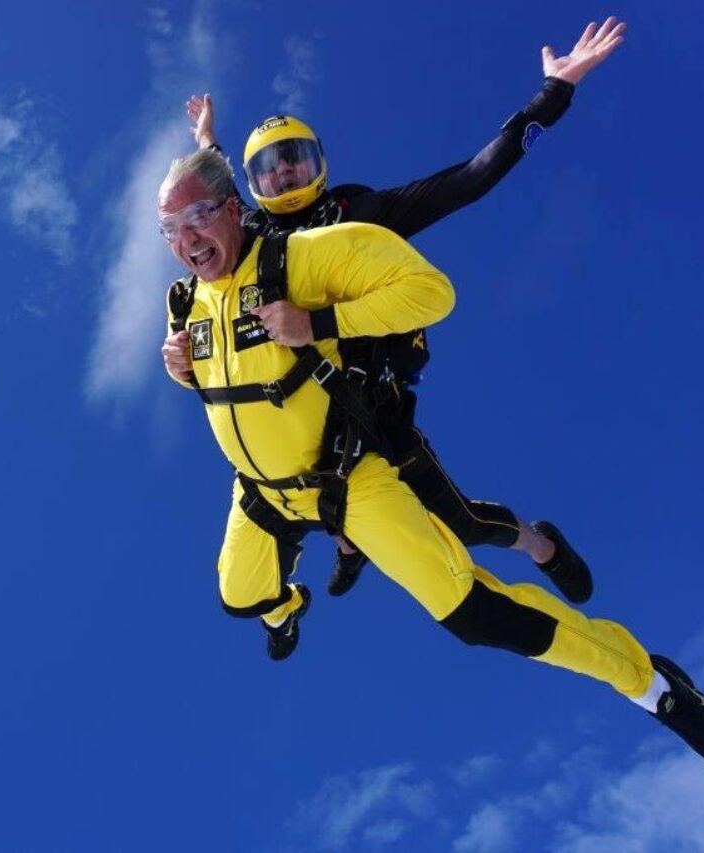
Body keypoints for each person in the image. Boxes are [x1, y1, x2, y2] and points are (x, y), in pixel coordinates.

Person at [156, 147, 704, 778]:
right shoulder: (186, 301)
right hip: (260, 495)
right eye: (169, 228)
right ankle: (286, 610)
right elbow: (235, 380)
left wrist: (320, 321)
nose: (185, 239)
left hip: (346, 479)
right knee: (240, 596)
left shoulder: (302, 256)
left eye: (196, 217)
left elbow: (431, 293)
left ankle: (650, 681)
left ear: (232, 208)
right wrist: (181, 370)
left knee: (472, 611)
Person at [179, 18, 626, 602]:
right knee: (311, 492)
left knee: (459, 522)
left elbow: (470, 178)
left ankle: (541, 544)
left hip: (372, 402)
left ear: (320, 163)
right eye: (271, 167)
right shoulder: (251, 230)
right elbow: (216, 198)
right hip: (302, 412)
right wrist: (206, 144)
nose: (286, 173)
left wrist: (554, 92)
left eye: (296, 159)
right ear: (255, 186)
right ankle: (348, 546)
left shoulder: (362, 212)